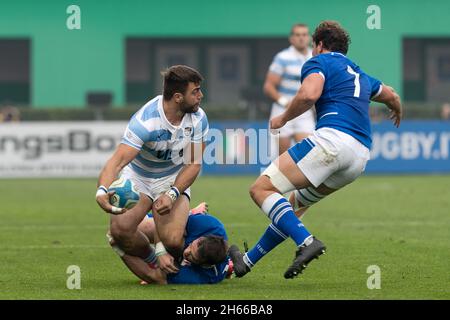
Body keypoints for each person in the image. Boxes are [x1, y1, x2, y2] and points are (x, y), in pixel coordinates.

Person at [229, 21, 402, 279]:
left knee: (261, 189)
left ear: (319, 45)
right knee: (293, 206)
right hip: (359, 158)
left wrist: (283, 118)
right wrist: (397, 109)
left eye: (313, 44)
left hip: (332, 142)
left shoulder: (318, 62)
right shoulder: (359, 73)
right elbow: (391, 95)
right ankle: (247, 261)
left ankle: (307, 242)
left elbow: (309, 94)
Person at [96, 65, 209, 274]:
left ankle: (189, 221)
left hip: (173, 178)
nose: (201, 96)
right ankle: (154, 260)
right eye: (195, 92)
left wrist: (173, 193)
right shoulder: (145, 121)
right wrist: (101, 191)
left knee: (173, 242)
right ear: (177, 97)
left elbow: (194, 164)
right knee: (120, 232)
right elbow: (117, 161)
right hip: (139, 177)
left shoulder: (198, 118)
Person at [108, 202, 232, 285]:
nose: (187, 252)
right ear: (200, 238)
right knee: (133, 228)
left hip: (184, 256)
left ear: (203, 265)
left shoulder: (203, 276)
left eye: (191, 257)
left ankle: (155, 261)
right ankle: (190, 213)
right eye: (190, 246)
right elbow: (165, 219)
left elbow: (154, 277)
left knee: (164, 272)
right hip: (182, 224)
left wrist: (120, 249)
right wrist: (160, 250)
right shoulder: (209, 226)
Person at [264, 23, 316, 156]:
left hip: (304, 111)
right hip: (282, 110)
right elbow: (268, 86)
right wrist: (285, 102)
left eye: (304, 35)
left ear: (309, 38)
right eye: (298, 35)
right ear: (291, 38)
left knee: (307, 155)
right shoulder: (282, 57)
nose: (301, 38)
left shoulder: (314, 57)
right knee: (282, 158)